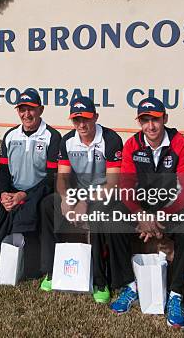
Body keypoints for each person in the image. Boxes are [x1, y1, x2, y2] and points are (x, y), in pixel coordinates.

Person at [106, 97, 184, 330]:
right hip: (143, 210)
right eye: (145, 120)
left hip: (170, 208)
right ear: (139, 122)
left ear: (164, 119)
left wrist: (162, 216)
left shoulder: (180, 144)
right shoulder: (131, 144)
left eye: (155, 119)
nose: (151, 126)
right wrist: (141, 216)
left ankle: (176, 294)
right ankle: (130, 285)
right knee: (110, 215)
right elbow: (126, 188)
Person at [38, 96, 122, 303]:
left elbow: (113, 184)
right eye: (76, 120)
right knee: (48, 205)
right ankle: (52, 270)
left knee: (98, 214)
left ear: (96, 117)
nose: (82, 125)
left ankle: (100, 281)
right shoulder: (67, 141)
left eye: (86, 119)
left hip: (105, 195)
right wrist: (66, 198)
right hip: (79, 194)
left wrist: (85, 201)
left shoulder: (111, 140)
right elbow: (62, 177)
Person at [0, 89, 61, 275]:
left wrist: (24, 195)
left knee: (26, 216)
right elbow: (3, 171)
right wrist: (4, 193)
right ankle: (5, 260)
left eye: (31, 109)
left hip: (39, 190)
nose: (26, 114)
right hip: (13, 190)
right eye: (22, 109)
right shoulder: (10, 135)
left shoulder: (52, 137)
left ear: (41, 110)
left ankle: (26, 264)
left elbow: (52, 177)